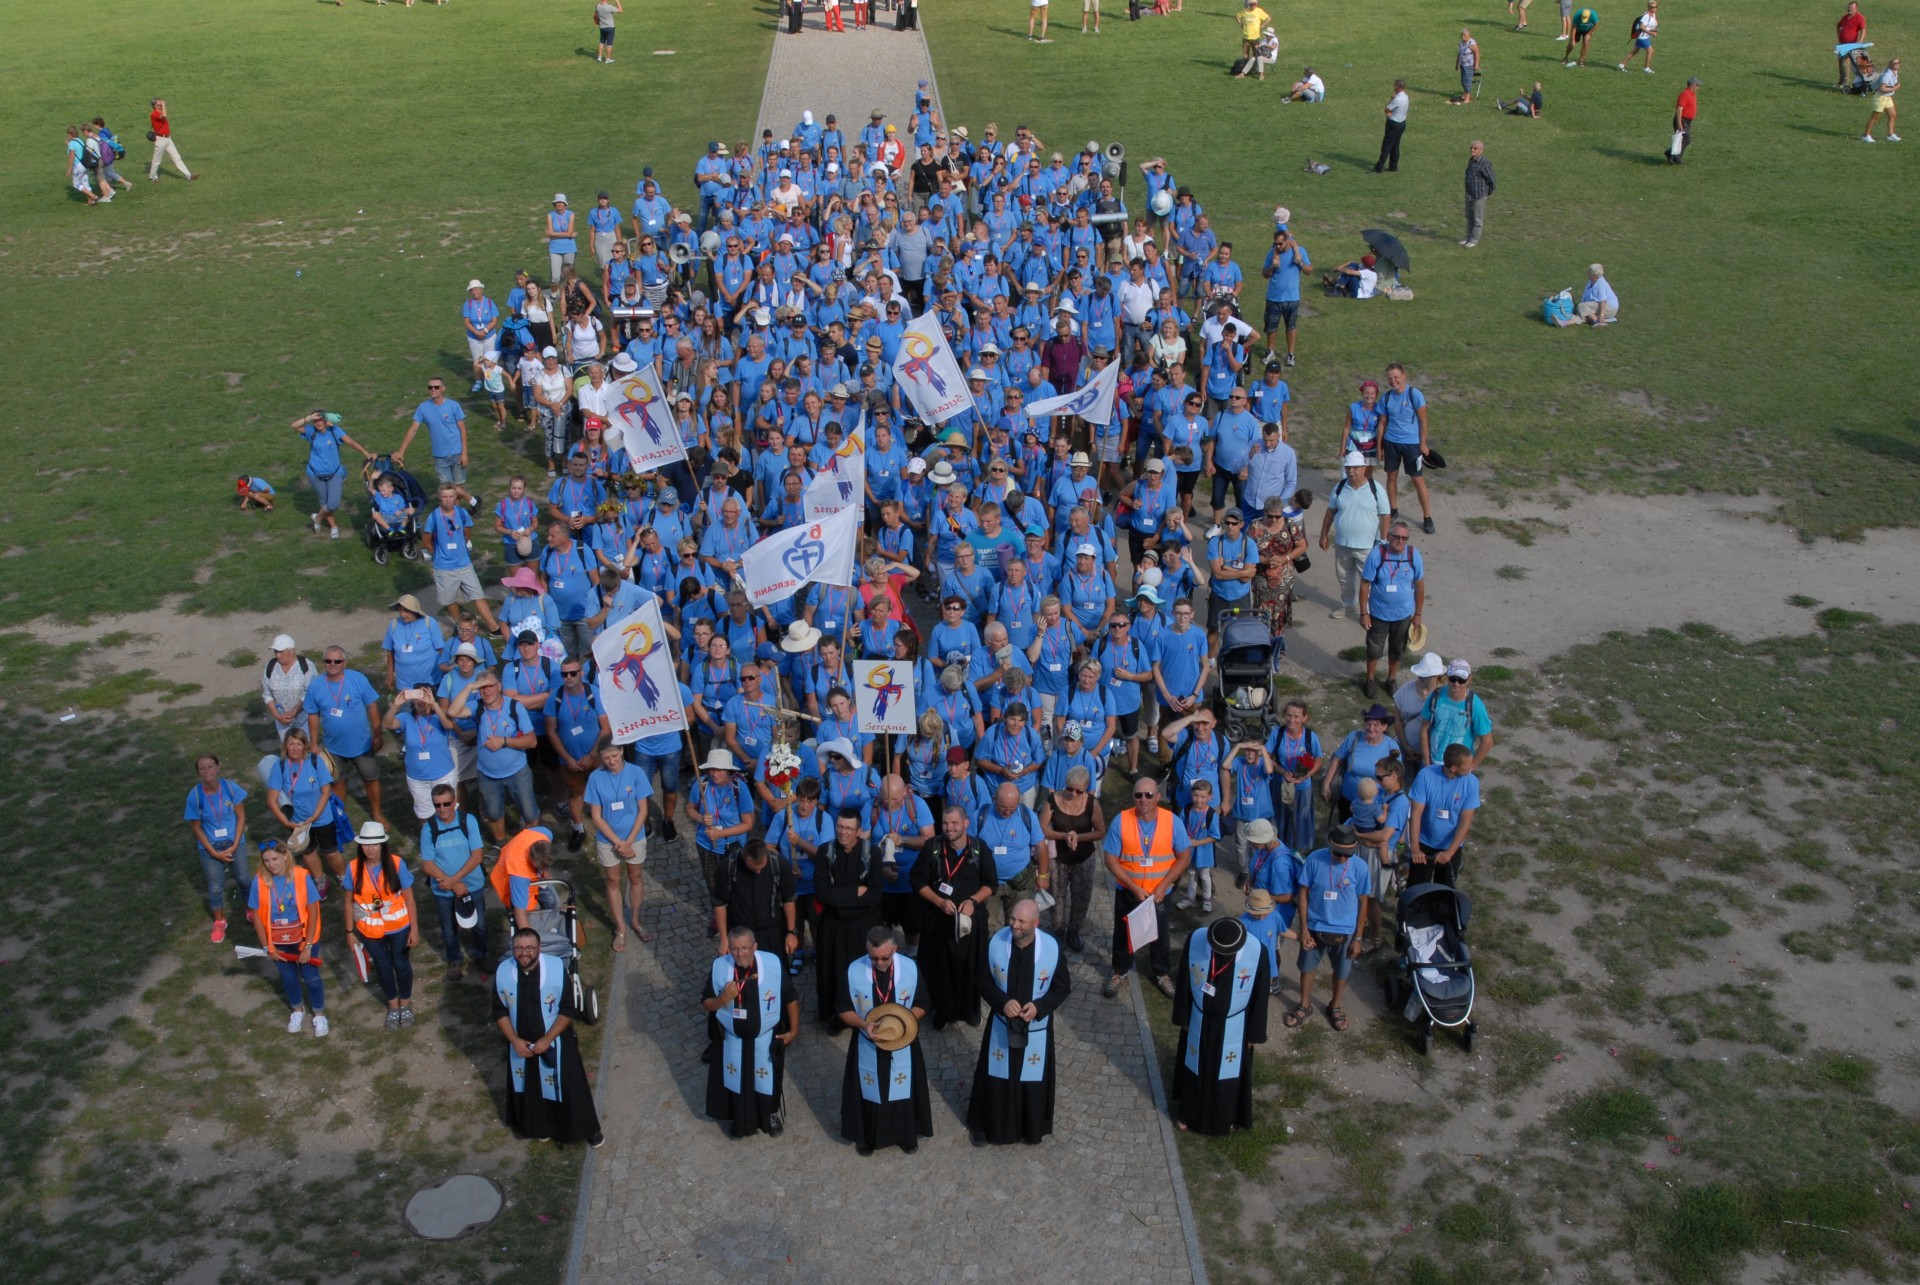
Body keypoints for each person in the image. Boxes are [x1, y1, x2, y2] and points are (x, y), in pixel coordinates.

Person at [967, 898, 1072, 1145]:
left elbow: (1062, 988)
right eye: (1012, 919)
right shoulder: (996, 943)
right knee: (996, 1076)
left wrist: (1039, 1007)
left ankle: (1031, 1128)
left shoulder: (1051, 949)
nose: (1014, 925)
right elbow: (982, 980)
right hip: (1002, 1022)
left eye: (1021, 921)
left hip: (1035, 1026)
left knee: (1031, 1079)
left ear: (1035, 923)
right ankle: (988, 1127)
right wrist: (1002, 1002)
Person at [493, 927, 604, 1146]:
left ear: (539, 948)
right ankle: (541, 1126)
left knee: (571, 1088)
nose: (524, 953)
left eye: (529, 948)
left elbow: (567, 1009)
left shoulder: (554, 968)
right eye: (518, 948)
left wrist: (547, 1039)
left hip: (556, 1042)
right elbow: (499, 1011)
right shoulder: (503, 972)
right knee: (531, 1089)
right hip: (522, 1046)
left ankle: (587, 1130)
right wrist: (514, 1040)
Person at [838, 925, 933, 1155]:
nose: (879, 963)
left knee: (904, 1088)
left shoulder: (910, 969)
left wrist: (902, 1022)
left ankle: (906, 1135)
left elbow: (923, 1004)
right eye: (873, 958)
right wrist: (864, 1025)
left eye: (884, 958)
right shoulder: (854, 971)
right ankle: (867, 1137)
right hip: (867, 1041)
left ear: (895, 949)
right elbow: (842, 1008)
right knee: (868, 1090)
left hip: (903, 1040)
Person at [1171, 916, 1270, 1132]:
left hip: (1234, 1026)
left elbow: (1261, 995)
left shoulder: (1256, 952)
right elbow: (1184, 980)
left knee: (1228, 1075)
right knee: (1194, 1070)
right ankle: (1189, 1114)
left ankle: (1225, 1119)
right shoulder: (1196, 941)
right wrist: (1183, 1017)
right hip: (1199, 1020)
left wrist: (1254, 1034)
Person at [703, 926, 800, 1137]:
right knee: (736, 1081)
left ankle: (770, 1115)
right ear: (729, 948)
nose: (740, 954)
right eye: (735, 949)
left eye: (745, 948)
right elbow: (707, 1004)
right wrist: (724, 998)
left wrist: (794, 1030)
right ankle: (740, 1121)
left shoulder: (772, 964)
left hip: (765, 1037)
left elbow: (790, 997)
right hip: (733, 1039)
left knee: (768, 1079)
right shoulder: (720, 967)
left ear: (755, 946)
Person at [1101, 775, 1193, 998]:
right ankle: (1120, 970)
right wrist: (1133, 886)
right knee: (1123, 934)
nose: (1144, 799)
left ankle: (1161, 973)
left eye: (1149, 795)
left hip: (1159, 894)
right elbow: (1110, 859)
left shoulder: (1172, 822)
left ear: (1158, 797)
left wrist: (1163, 886)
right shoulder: (1121, 820)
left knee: (1160, 935)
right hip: (1128, 892)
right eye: (1139, 795)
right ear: (1133, 797)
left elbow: (1184, 857)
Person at [912, 804, 998, 1028]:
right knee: (939, 968)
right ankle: (941, 1011)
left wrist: (973, 901)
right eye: (945, 823)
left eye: (954, 823)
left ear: (965, 823)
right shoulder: (932, 846)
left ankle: (970, 1010)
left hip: (970, 922)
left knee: (971, 966)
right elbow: (917, 882)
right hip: (938, 921)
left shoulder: (979, 848)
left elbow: (991, 884)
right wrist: (939, 902)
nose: (949, 828)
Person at [1285, 825, 1370, 1032]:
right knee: (1307, 968)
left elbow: (1363, 903)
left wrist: (1358, 938)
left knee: (1341, 971)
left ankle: (1335, 1005)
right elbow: (1303, 893)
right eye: (1338, 853)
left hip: (1345, 930)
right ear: (1330, 846)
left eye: (1347, 854)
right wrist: (1304, 929)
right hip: (1315, 926)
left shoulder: (1360, 867)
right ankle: (1305, 1005)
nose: (1342, 858)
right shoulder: (1315, 859)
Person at [343, 822, 420, 1031]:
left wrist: (414, 929)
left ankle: (405, 1003)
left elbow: (409, 898)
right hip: (369, 929)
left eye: (375, 844)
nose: (370, 849)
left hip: (399, 926)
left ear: (382, 845)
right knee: (383, 967)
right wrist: (349, 932)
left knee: (401, 965)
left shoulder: (397, 863)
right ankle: (393, 1005)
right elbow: (348, 902)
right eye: (366, 844)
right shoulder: (352, 868)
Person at [247, 840, 328, 1036]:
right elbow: (256, 916)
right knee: (289, 978)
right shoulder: (259, 881)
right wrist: (267, 947)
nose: (271, 864)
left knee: (311, 978)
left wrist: (308, 945)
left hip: (303, 938)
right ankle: (297, 1010)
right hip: (277, 941)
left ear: (285, 856)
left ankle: (319, 1014)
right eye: (266, 860)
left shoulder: (301, 876)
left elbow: (313, 912)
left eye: (275, 859)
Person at [304, 645, 388, 829]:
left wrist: (377, 734)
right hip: (333, 747)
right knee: (337, 783)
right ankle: (340, 817)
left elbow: (372, 706)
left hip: (362, 745)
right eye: (328, 661)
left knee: (371, 779)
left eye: (337, 661)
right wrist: (314, 744)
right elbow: (312, 714)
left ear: (345, 663)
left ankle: (377, 813)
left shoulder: (358, 679)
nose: (332, 664)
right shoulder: (316, 686)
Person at [813, 807, 882, 1027]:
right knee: (833, 971)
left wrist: (839, 897)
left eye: (848, 828)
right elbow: (823, 894)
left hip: (862, 926)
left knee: (863, 971)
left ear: (858, 831)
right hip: (834, 924)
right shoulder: (825, 852)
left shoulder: (873, 853)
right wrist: (855, 892)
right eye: (840, 827)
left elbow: (875, 895)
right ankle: (837, 1014)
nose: (843, 832)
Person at [585, 740, 655, 948]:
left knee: (635, 877)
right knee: (613, 880)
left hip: (634, 836)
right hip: (609, 840)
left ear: (622, 751)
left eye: (614, 756)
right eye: (606, 758)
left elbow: (643, 809)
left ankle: (636, 920)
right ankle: (620, 927)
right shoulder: (595, 777)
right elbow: (596, 816)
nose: (611, 761)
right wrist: (619, 843)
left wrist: (630, 841)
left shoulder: (636, 773)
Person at [417, 782, 489, 980]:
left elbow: (477, 856)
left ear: (455, 801)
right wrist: (452, 883)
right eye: (437, 805)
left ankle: (481, 954)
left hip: (471, 885)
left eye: (446, 804)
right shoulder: (429, 829)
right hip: (443, 889)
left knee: (480, 924)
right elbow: (427, 864)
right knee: (448, 929)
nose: (442, 809)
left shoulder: (468, 821)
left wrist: (453, 881)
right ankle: (454, 959)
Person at [184, 753, 251, 944]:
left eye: (210, 766)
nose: (207, 771)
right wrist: (213, 852)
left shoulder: (230, 788)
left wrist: (236, 844)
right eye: (202, 768)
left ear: (218, 767)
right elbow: (196, 828)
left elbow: (241, 817)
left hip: (234, 842)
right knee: (215, 885)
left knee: (244, 878)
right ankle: (219, 921)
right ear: (198, 772)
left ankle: (251, 910)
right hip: (211, 847)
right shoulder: (195, 796)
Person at [1039, 765, 1103, 952]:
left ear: (1086, 789)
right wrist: (1064, 836)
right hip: (1058, 859)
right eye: (1070, 789)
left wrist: (1078, 837)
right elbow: (1042, 829)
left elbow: (1100, 832)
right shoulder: (1052, 801)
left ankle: (1074, 931)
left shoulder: (1092, 803)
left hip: (1083, 858)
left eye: (1079, 791)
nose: (1073, 794)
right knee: (1057, 896)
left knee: (1081, 897)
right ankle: (1058, 931)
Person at [1357, 520, 1425, 698]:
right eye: (1396, 536)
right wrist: (1364, 613)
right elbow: (1365, 585)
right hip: (1379, 614)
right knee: (1374, 649)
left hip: (1403, 615)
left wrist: (1418, 614)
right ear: (1388, 536)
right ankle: (1370, 680)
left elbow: (1419, 585)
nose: (1400, 540)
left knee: (1397, 649)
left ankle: (1391, 679)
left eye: (1404, 538)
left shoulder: (1413, 555)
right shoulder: (1377, 554)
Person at [1320, 452, 1390, 620]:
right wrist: (1324, 534)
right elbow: (1330, 512)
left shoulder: (1375, 488)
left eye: (1354, 468)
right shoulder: (1340, 487)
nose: (1351, 471)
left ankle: (1371, 611)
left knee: (1369, 580)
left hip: (1367, 546)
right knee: (1344, 577)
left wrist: (1383, 540)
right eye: (1348, 468)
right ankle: (1348, 605)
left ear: (1364, 468)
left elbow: (1386, 514)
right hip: (1342, 544)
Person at [713, 838, 799, 962]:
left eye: (761, 867)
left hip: (771, 934)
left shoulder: (779, 864)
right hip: (740, 934)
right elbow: (719, 903)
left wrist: (791, 933)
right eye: (753, 868)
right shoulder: (727, 867)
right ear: (744, 856)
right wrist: (724, 939)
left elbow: (789, 899)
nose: (758, 871)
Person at [292, 409, 374, 540]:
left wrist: (366, 453)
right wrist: (308, 418)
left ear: (326, 420)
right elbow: (294, 426)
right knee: (324, 502)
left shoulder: (334, 431)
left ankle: (317, 518)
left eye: (320, 420)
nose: (318, 423)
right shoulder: (311, 432)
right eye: (315, 421)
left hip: (335, 473)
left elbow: (351, 442)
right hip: (315, 475)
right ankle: (333, 527)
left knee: (333, 504)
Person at [1408, 743, 1480, 888]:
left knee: (1445, 890)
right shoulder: (1426, 776)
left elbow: (1465, 821)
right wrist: (1415, 848)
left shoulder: (1471, 782)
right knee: (1417, 888)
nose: (1471, 766)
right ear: (1453, 768)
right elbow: (1415, 814)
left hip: (1450, 844)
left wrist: (1450, 852)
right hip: (1424, 842)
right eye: (1467, 764)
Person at [1422, 659, 1495, 769]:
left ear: (1469, 679)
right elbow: (1424, 728)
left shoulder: (1475, 705)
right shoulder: (1436, 696)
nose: (1456, 684)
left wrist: (1470, 767)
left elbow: (1487, 741)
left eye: (1461, 680)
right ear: (1447, 677)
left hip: (1458, 768)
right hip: (1432, 762)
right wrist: (1427, 763)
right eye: (1453, 679)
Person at [1259, 228, 1310, 366]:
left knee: (1291, 326)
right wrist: (1272, 267)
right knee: (1271, 327)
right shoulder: (1272, 253)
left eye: (1280, 243)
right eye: (1276, 243)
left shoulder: (1300, 251)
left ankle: (1290, 354)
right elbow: (1264, 274)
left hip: (1292, 298)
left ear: (1287, 241)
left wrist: (1300, 263)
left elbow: (1309, 271)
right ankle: (1271, 352)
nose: (1278, 246)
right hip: (1274, 297)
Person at [146, 98, 194, 182]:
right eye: (160, 105)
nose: (161, 106)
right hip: (160, 140)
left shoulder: (160, 112)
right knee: (157, 160)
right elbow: (164, 115)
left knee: (177, 157)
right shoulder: (154, 114)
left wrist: (162, 105)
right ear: (155, 106)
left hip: (168, 139)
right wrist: (164, 104)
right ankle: (153, 177)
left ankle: (188, 175)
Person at [1461, 140, 1494, 249]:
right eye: (1471, 148)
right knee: (1469, 217)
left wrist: (1487, 192)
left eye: (1475, 148)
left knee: (1477, 219)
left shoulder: (1485, 163)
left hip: (1479, 195)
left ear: (1481, 150)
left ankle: (1474, 240)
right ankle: (1468, 237)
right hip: (1469, 194)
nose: (1472, 150)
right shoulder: (1471, 161)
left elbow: (1492, 180)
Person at [1374, 80, 1409, 173]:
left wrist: (1391, 100)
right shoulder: (1406, 97)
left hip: (1393, 124)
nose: (1394, 86)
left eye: (1395, 85)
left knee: (1386, 146)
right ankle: (1393, 166)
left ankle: (1379, 168)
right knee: (1395, 145)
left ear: (1398, 87)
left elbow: (1387, 109)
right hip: (1402, 124)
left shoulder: (1397, 99)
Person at [1864, 60, 1899, 141]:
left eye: (1898, 63)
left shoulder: (1895, 73)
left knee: (1893, 115)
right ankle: (1866, 135)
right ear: (1890, 64)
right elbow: (1882, 88)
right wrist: (1895, 88)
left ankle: (1890, 135)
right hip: (1880, 98)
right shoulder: (1887, 75)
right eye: (1895, 63)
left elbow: (1895, 83)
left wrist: (1896, 85)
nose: (1897, 64)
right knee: (1875, 118)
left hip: (1887, 97)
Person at [1619, 0, 1657, 72]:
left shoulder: (1653, 15)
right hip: (1643, 37)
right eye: (1652, 7)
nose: (1654, 8)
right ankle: (1646, 68)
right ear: (1648, 7)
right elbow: (1641, 26)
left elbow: (1651, 25)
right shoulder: (1646, 16)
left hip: (1645, 36)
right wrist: (1651, 33)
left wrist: (1654, 31)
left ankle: (1621, 65)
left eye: (1656, 7)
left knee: (1634, 52)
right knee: (1650, 51)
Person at [1837, 3, 1867, 88]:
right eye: (1849, 7)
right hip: (1842, 45)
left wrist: (1860, 42)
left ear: (1856, 8)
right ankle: (1841, 81)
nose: (1849, 9)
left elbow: (1863, 30)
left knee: (1845, 63)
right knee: (1840, 63)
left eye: (1852, 8)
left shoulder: (1859, 17)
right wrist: (1839, 36)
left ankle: (1845, 82)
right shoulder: (1845, 17)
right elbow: (1838, 25)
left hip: (1850, 46)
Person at [1452, 29, 1481, 104]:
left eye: (1464, 35)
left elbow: (1477, 53)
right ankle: (1465, 95)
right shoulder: (1461, 43)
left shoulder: (1471, 43)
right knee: (1463, 81)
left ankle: (1468, 98)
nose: (1462, 36)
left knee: (1467, 81)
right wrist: (1457, 63)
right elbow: (1459, 53)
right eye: (1461, 34)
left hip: (1469, 65)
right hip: (1462, 64)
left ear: (1468, 35)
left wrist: (1476, 64)